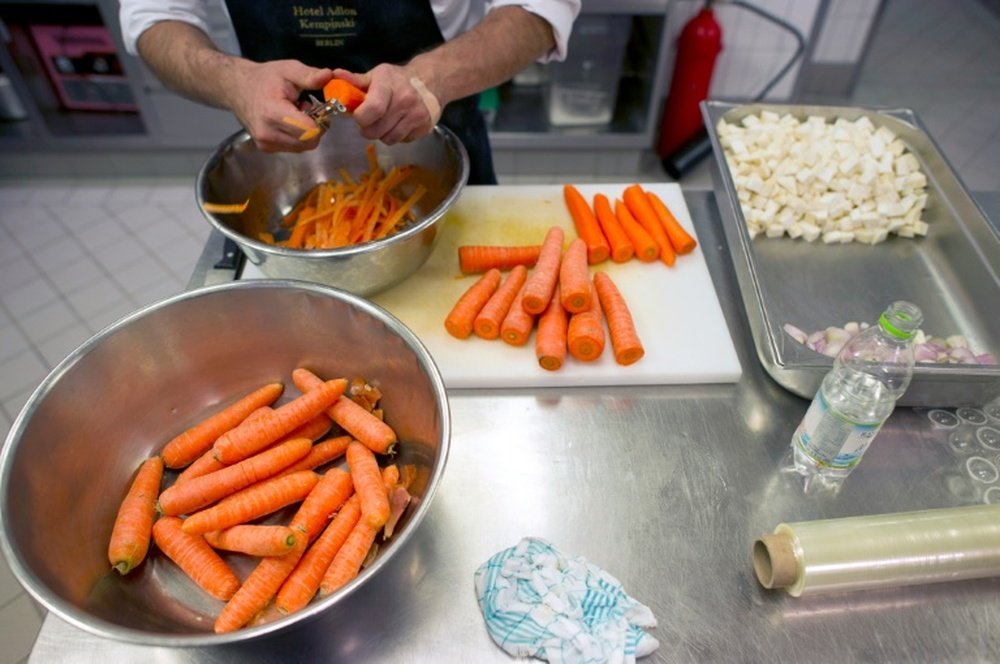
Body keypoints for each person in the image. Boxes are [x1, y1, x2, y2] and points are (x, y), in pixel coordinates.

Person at [118, 1, 581, 185]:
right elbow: (155, 14)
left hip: (445, 134)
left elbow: (539, 7)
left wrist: (431, 78)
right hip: (287, 166)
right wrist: (233, 80)